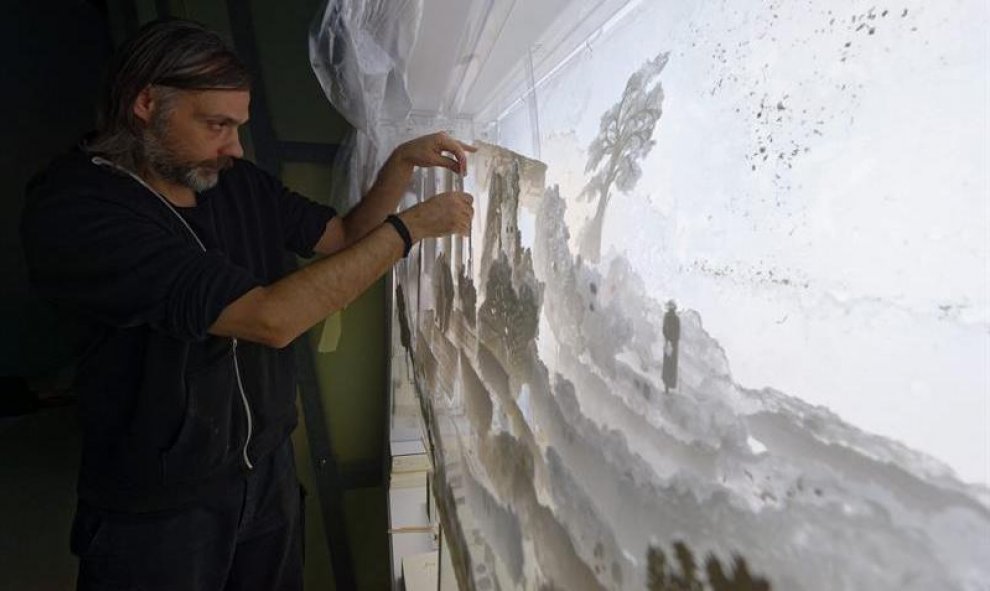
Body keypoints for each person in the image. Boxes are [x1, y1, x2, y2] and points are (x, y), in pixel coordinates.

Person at [20, 18, 474, 591]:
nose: (234, 145)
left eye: (238, 126)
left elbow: (342, 237)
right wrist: (408, 231)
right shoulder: (79, 213)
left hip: (266, 476)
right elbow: (269, 318)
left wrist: (398, 167)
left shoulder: (232, 180)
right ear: (146, 103)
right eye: (217, 125)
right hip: (161, 506)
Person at [662, 300, 680, 394]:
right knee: (670, 365)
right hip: (672, 344)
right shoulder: (675, 318)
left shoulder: (668, 317)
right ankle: (667, 385)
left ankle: (667, 386)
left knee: (668, 365)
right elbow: (676, 333)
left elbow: (665, 330)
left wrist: (668, 339)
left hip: (670, 343)